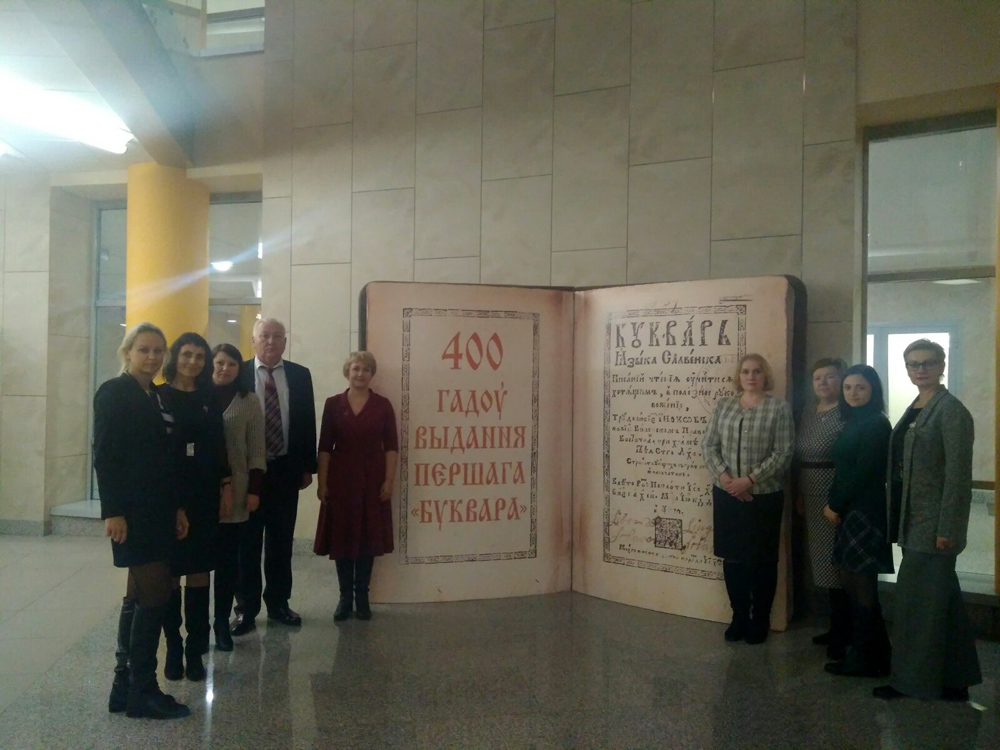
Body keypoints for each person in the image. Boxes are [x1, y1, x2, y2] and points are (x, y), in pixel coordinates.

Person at [874, 340, 982, 702]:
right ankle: (956, 679)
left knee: (916, 604)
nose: (921, 369)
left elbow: (958, 477)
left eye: (928, 363)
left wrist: (948, 528)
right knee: (943, 603)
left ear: (941, 365)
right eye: (914, 364)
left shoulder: (951, 411)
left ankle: (911, 683)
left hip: (932, 527)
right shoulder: (917, 407)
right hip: (912, 520)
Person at [93, 322, 190, 719]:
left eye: (158, 350)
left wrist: (177, 507)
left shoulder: (156, 395)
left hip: (159, 509)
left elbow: (165, 458)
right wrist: (112, 511)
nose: (152, 357)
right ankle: (143, 691)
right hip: (133, 512)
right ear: (128, 352)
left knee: (137, 596)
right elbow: (105, 455)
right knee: (154, 594)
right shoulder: (114, 392)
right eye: (144, 349)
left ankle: (123, 687)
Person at [233, 318, 317, 634]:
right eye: (264, 336)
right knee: (247, 544)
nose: (271, 341)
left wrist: (307, 467)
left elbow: (306, 420)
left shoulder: (300, 375)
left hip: (285, 471)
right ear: (253, 340)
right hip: (247, 473)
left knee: (281, 542)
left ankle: (279, 603)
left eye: (277, 336)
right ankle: (246, 609)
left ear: (285, 342)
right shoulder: (238, 373)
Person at [703, 353, 794, 645]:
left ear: (765, 375)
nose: (751, 376)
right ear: (738, 376)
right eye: (745, 371)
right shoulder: (724, 405)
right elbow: (709, 445)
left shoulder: (779, 409)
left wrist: (749, 480)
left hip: (764, 496)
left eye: (756, 371)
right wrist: (728, 480)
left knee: (762, 560)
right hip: (727, 494)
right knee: (733, 558)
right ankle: (739, 616)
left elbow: (783, 453)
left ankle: (760, 619)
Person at [161, 333, 232, 682]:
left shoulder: (209, 397)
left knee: (200, 569)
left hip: (204, 493)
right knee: (172, 571)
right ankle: (173, 646)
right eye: (187, 354)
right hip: (169, 493)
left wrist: (226, 486)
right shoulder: (159, 396)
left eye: (199, 356)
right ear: (175, 356)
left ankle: (195, 649)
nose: (193, 361)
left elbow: (219, 445)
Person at [314, 351, 398, 621]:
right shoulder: (333, 404)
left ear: (372, 374)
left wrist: (389, 481)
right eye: (356, 369)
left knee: (367, 536)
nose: (360, 374)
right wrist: (322, 482)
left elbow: (392, 447)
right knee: (341, 536)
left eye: (366, 370)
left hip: (372, 479)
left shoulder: (383, 405)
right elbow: (324, 448)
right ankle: (344, 598)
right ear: (347, 372)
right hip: (340, 480)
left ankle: (362, 596)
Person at [822, 365, 893, 678]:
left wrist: (835, 504)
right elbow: (843, 468)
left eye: (860, 387)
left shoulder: (877, 423)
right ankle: (876, 653)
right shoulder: (852, 420)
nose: (852, 393)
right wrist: (834, 502)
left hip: (865, 512)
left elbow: (864, 473)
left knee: (863, 588)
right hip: (851, 510)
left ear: (872, 390)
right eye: (848, 387)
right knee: (851, 582)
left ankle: (867, 657)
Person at [211, 343, 267, 650]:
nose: (225, 368)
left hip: (239, 491)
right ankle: (195, 627)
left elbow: (257, 451)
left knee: (228, 563)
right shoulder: (198, 396)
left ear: (239, 369)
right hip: (202, 491)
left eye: (231, 364)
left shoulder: (249, 401)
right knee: (197, 564)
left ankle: (222, 623)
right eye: (219, 362)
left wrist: (254, 490)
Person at [794, 358, 849, 660]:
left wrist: (837, 500)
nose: (823, 383)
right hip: (810, 493)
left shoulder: (847, 411)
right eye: (818, 378)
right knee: (823, 564)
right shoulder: (808, 411)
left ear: (841, 380)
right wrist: (801, 493)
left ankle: (844, 630)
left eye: (830, 377)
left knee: (837, 565)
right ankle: (835, 625)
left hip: (834, 496)